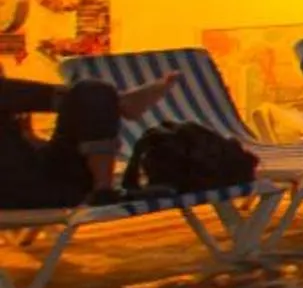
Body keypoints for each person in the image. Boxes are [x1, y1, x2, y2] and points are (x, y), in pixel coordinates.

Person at [0, 71, 181, 209]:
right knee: (94, 96)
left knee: (93, 90)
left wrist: (30, 139)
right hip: (14, 193)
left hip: (55, 183)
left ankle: (103, 190)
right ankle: (119, 101)